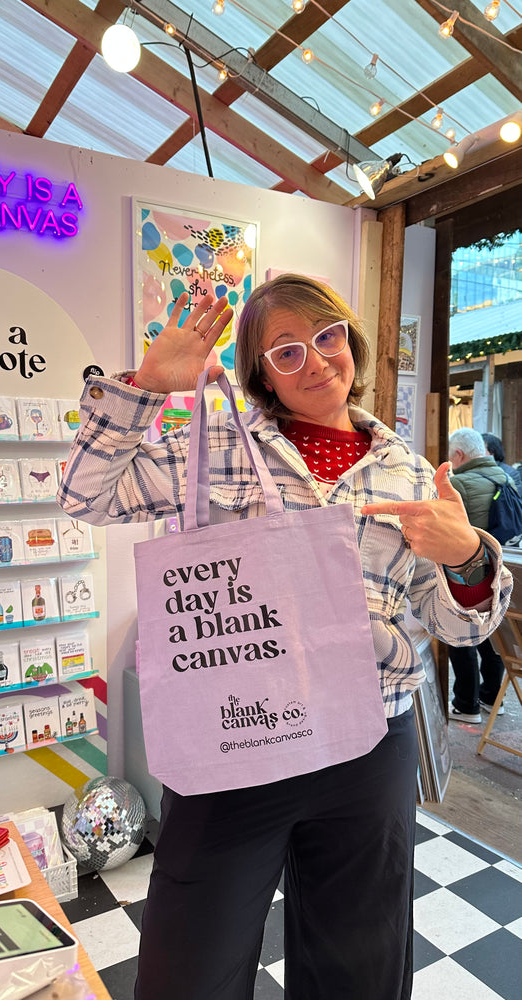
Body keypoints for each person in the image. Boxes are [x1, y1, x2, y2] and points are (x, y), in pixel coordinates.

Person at [58, 275, 511, 1000]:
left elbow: (460, 626)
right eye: (287, 351)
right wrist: (146, 387)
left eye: (325, 337)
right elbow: (84, 495)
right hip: (234, 738)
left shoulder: (408, 471)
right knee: (190, 965)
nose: (316, 361)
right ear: (261, 372)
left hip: (368, 739)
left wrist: (464, 557)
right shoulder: (209, 446)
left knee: (359, 964)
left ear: (351, 341)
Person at [448, 427, 511, 722]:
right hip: (503, 568)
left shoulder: (457, 483)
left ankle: (466, 703)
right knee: (492, 634)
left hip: (469, 573)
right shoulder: (506, 477)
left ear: (458, 455)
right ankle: (489, 695)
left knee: (461, 636)